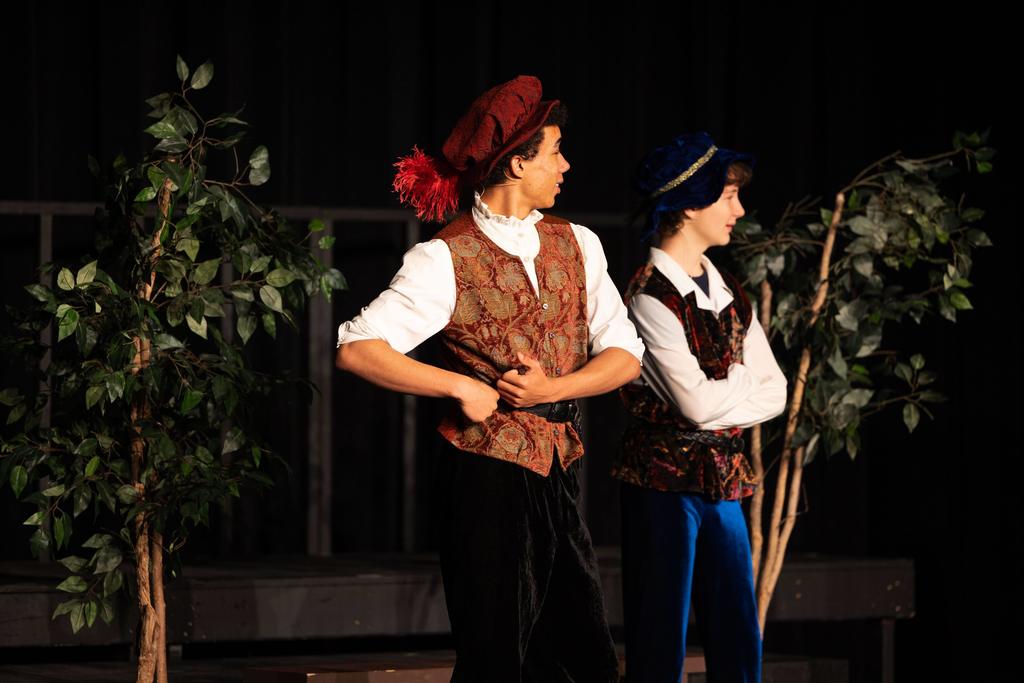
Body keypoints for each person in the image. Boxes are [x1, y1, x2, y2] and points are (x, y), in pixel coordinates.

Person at [335, 75, 644, 682]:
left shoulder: (578, 244)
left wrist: (556, 388)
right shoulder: (444, 257)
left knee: (582, 659)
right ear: (516, 163)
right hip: (484, 477)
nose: (566, 164)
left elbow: (625, 354)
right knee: (495, 654)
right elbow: (356, 347)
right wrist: (459, 386)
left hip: (556, 471)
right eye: (554, 150)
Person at [613, 132, 788, 682]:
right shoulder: (648, 296)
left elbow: (776, 391)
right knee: (660, 630)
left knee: (737, 629)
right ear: (690, 205)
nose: (739, 209)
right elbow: (692, 405)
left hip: (725, 479)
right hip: (662, 483)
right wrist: (740, 383)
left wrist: (722, 396)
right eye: (728, 196)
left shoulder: (729, 288)